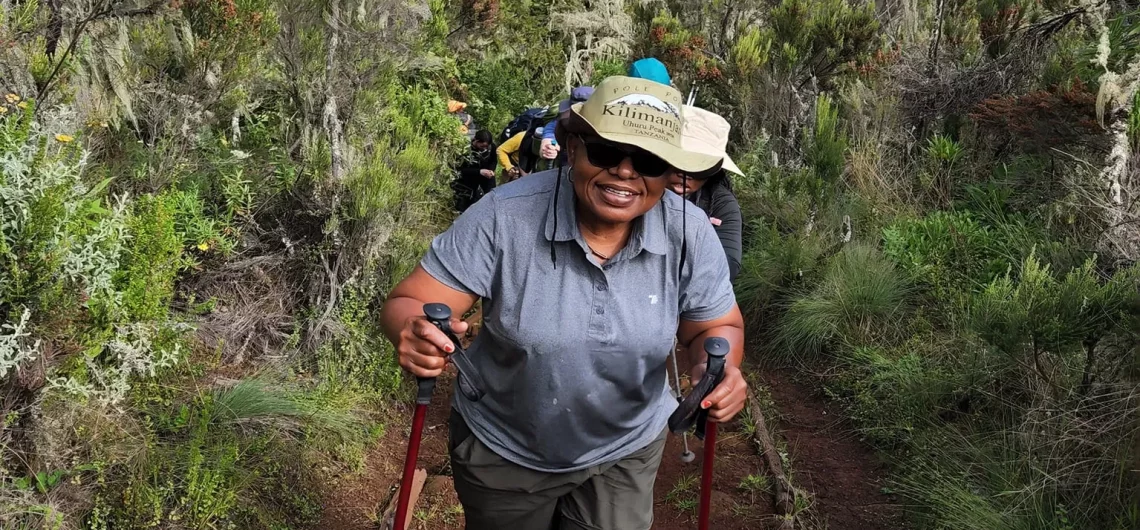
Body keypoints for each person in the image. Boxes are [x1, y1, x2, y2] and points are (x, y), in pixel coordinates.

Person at [380, 75, 748, 530]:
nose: (625, 172)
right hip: (506, 447)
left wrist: (719, 370)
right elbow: (412, 300)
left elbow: (717, 328)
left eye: (650, 160)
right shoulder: (504, 216)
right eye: (606, 151)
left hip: (624, 449)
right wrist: (413, 329)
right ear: (573, 148)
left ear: (671, 171)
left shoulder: (691, 233)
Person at [669, 105, 744, 282]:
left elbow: (728, 265)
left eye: (698, 166)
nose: (684, 173)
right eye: (676, 161)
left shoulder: (720, 202)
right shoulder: (635, 191)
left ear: (713, 171)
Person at [452, 129, 497, 212]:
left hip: (486, 174)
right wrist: (479, 171)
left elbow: (493, 161)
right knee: (466, 201)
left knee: (492, 194)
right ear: (476, 141)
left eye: (486, 147)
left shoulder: (491, 147)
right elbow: (460, 169)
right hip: (469, 176)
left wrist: (491, 170)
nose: (484, 149)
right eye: (482, 146)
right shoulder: (464, 148)